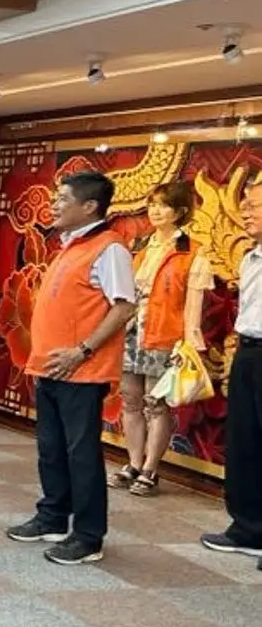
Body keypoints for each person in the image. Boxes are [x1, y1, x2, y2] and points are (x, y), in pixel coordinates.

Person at [6, 170, 136, 566]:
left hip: (82, 370)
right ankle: (52, 517)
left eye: (63, 199)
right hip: (50, 367)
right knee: (51, 449)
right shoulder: (68, 245)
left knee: (81, 454)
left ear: (90, 206)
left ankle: (88, 536)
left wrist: (82, 350)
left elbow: (124, 307)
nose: (54, 205)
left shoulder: (109, 248)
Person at [109, 182, 212, 497]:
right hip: (132, 332)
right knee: (130, 400)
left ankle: (150, 469)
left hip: (165, 336)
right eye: (152, 204)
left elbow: (192, 307)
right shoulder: (140, 245)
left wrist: (189, 343)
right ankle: (133, 462)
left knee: (155, 404)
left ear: (180, 212)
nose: (155, 211)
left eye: (163, 205)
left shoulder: (192, 251)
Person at [202, 175, 262, 561]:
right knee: (244, 443)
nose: (245, 213)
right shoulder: (251, 257)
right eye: (245, 206)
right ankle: (248, 528)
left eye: (254, 206)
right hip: (248, 352)